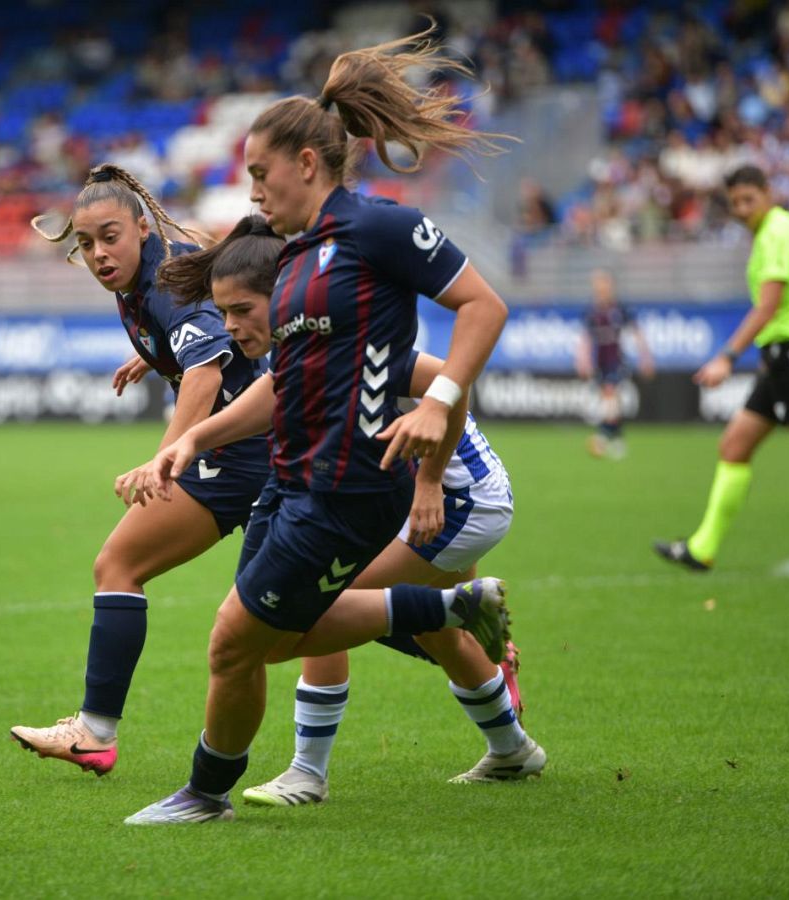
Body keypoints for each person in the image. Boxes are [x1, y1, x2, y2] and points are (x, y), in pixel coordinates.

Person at [122, 30, 516, 825]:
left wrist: (439, 401)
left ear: (307, 162)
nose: (253, 189)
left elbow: (483, 305)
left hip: (348, 488)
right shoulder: (296, 257)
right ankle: (439, 608)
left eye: (260, 173)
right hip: (291, 481)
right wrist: (194, 439)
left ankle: (206, 794)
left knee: (233, 643)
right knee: (259, 643)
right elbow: (282, 386)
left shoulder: (377, 228)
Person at [155, 215, 541, 805]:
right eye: (223, 313)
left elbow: (447, 382)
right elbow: (276, 394)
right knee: (397, 621)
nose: (230, 328)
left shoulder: (341, 340)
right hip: (431, 497)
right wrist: (195, 439)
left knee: (303, 614)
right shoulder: (297, 344)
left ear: (280, 297)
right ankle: (512, 747)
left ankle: (309, 772)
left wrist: (432, 483)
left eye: (241, 311)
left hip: (459, 499)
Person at [8, 164, 272, 775]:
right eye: (86, 244)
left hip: (241, 455)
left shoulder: (160, 284)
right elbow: (205, 336)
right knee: (306, 613)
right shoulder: (151, 279)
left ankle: (96, 732)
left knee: (122, 566)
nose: (99, 254)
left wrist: (166, 459)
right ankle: (457, 633)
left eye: (109, 237)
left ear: (143, 229)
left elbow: (207, 367)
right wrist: (151, 357)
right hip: (249, 450)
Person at [655, 165, 789, 571]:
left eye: (749, 199)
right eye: (735, 202)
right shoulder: (777, 231)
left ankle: (703, 548)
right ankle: (703, 549)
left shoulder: (776, 234)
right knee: (734, 446)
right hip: (784, 358)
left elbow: (768, 306)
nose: (742, 209)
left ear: (769, 192)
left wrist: (726, 357)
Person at [575, 268, 655, 459]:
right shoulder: (591, 312)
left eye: (604, 284)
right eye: (598, 285)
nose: (601, 288)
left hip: (616, 360)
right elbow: (585, 338)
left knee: (610, 393)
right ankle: (618, 439)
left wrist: (645, 357)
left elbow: (637, 332)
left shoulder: (620, 309)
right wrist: (583, 360)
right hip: (599, 362)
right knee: (610, 401)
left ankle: (602, 436)